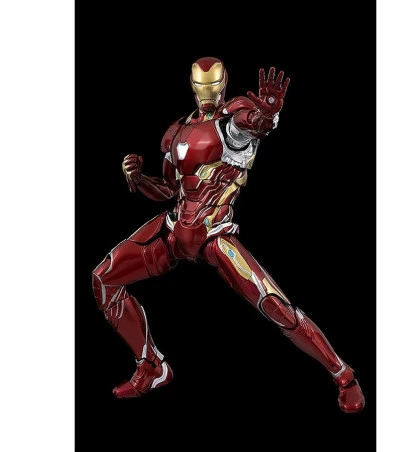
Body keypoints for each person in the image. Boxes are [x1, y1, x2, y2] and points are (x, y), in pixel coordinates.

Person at [92, 56, 365, 413]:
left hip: (214, 234)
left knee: (275, 306)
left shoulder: (233, 116)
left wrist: (268, 113)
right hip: (174, 229)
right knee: (104, 278)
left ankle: (344, 375)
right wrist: (139, 179)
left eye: (213, 87)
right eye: (201, 87)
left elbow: (254, 124)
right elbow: (170, 189)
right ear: (193, 87)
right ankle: (152, 366)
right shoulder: (177, 130)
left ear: (222, 85)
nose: (208, 94)